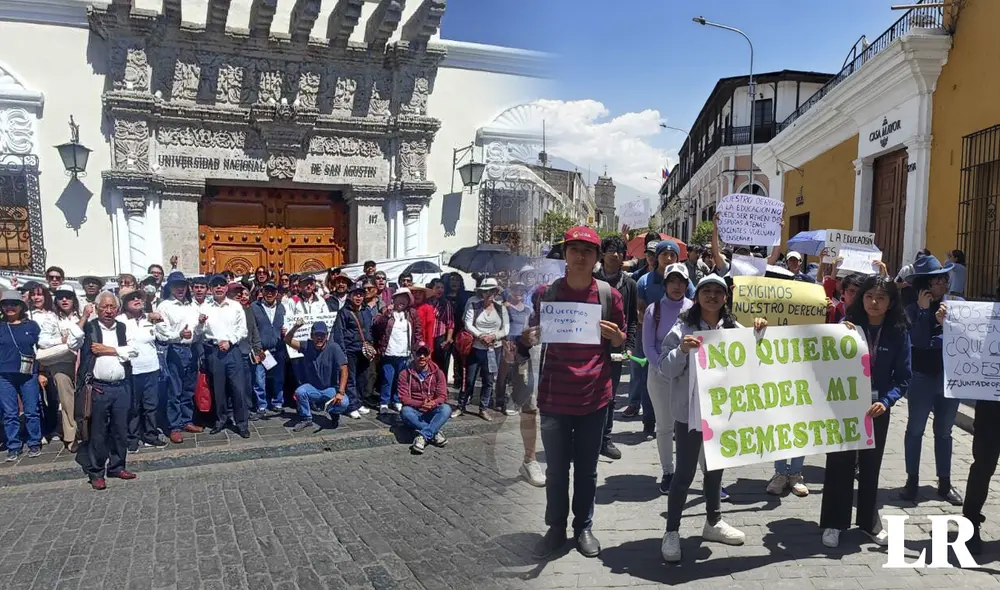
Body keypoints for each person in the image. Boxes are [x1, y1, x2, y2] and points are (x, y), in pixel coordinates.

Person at [522, 226, 626, 559]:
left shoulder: (610, 296)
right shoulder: (546, 293)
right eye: (574, 249)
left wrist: (617, 338)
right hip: (554, 397)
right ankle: (556, 527)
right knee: (555, 470)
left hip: (594, 397)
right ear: (565, 254)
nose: (580, 256)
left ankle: (583, 526)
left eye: (588, 251)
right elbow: (528, 339)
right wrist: (527, 338)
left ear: (596, 258)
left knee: (586, 470)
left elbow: (623, 340)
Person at [658, 275, 766, 562]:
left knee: (716, 468)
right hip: (689, 414)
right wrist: (682, 350)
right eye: (706, 290)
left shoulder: (733, 328)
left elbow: (760, 355)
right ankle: (671, 531)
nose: (712, 295)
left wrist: (759, 332)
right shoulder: (682, 327)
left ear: (725, 298)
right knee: (684, 474)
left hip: (721, 412)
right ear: (698, 296)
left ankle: (713, 522)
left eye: (719, 291)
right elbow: (663, 369)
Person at [820, 275, 911, 548]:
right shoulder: (846, 327)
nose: (874, 302)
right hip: (844, 406)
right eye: (869, 296)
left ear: (891, 302)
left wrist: (887, 400)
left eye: (881, 298)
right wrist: (838, 334)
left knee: (871, 467)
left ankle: (869, 522)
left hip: (876, 409)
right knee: (839, 464)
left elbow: (903, 377)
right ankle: (833, 523)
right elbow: (824, 360)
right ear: (861, 298)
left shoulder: (898, 332)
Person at [901, 255, 962, 505]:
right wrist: (928, 315)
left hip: (949, 379)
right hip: (921, 378)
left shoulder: (956, 305)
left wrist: (944, 326)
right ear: (926, 284)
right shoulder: (912, 309)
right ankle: (911, 481)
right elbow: (919, 341)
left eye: (946, 277)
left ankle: (945, 483)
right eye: (940, 279)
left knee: (945, 432)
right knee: (915, 430)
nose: (945, 282)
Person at [75, 291, 138, 489]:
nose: (108, 311)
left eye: (112, 307)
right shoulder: (90, 327)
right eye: (104, 307)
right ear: (97, 308)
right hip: (98, 388)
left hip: (121, 387)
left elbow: (134, 351)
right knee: (98, 432)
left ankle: (117, 466)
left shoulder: (123, 327)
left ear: (118, 309)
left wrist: (109, 350)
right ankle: (96, 472)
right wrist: (84, 317)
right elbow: (71, 340)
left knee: (120, 430)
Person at [643, 264, 692, 494]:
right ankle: (668, 471)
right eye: (672, 281)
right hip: (660, 375)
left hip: (688, 377)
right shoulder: (654, 310)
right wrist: (663, 368)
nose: (677, 285)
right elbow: (648, 346)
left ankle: (706, 476)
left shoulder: (694, 308)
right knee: (664, 426)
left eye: (681, 281)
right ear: (665, 284)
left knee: (695, 428)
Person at [593, 235, 637, 461]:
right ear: (603, 253)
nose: (615, 254)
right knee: (590, 393)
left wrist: (628, 345)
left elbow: (630, 319)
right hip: (590, 346)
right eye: (611, 250)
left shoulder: (630, 284)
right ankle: (586, 438)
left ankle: (605, 439)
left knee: (610, 395)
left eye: (620, 251)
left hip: (616, 346)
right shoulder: (590, 279)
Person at [155, 272, 204, 443]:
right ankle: (174, 426)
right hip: (175, 349)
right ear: (170, 287)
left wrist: (201, 324)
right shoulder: (164, 306)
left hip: (192, 349)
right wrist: (179, 334)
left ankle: (186, 420)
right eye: (176, 285)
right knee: (174, 390)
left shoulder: (193, 306)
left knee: (188, 389)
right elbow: (162, 332)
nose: (180, 288)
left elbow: (198, 331)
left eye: (182, 285)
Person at [201, 275, 251, 438]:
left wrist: (230, 341)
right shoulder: (205, 307)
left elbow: (243, 330)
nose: (219, 288)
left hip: (232, 350)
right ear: (211, 289)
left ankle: (242, 423)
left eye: (222, 285)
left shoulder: (236, 306)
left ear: (226, 287)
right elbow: (198, 331)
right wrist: (200, 323)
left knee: (238, 389)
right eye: (215, 285)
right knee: (218, 389)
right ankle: (221, 420)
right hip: (214, 351)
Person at [119, 290, 167, 450]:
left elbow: (165, 336)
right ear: (124, 303)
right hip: (131, 370)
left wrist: (162, 322)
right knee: (132, 406)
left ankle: (151, 435)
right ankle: (132, 438)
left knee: (151, 405)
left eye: (138, 297)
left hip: (151, 368)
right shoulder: (119, 321)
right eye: (131, 298)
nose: (136, 300)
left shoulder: (150, 318)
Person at [457, 278, 509, 420]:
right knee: (469, 379)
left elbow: (506, 328)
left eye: (492, 290)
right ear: (481, 292)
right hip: (476, 347)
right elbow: (468, 323)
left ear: (496, 292)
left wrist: (493, 336)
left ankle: (483, 408)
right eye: (486, 291)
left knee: (488, 379)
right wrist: (480, 336)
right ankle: (461, 405)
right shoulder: (474, 305)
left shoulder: (501, 308)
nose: (489, 294)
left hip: (494, 348)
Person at [284, 319, 350, 432]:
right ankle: (306, 418)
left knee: (344, 403)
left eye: (322, 335)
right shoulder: (307, 346)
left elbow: (344, 369)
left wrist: (341, 392)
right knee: (300, 392)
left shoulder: (334, 347)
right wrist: (295, 327)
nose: (319, 338)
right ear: (311, 336)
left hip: (331, 389)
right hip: (313, 388)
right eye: (316, 335)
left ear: (327, 336)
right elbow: (287, 340)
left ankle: (333, 412)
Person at [0, 290, 43, 461]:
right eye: (5, 304)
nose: (9, 307)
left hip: (28, 373)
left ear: (21, 307)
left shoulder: (32, 326)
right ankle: (14, 445)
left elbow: (41, 349)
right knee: (10, 412)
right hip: (4, 374)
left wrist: (42, 372)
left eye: (14, 304)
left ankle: (34, 442)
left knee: (32, 410)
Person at [373, 288, 424, 415]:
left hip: (405, 353)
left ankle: (397, 400)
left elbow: (418, 330)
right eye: (399, 298)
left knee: (401, 379)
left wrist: (418, 345)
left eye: (405, 298)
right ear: (394, 299)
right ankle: (384, 402)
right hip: (389, 352)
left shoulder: (412, 313)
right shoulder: (386, 312)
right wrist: (386, 315)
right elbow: (377, 325)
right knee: (387, 378)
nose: (402, 301)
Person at [331, 280, 374, 419]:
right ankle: (352, 406)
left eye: (361, 294)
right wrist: (342, 352)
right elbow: (339, 333)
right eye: (356, 294)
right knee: (350, 379)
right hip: (350, 350)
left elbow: (369, 330)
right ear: (350, 296)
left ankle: (359, 402)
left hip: (364, 350)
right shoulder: (344, 312)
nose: (358, 297)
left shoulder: (366, 311)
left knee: (363, 378)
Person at [398, 344, 451, 453]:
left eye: (425, 354)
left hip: (431, 410)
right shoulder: (404, 374)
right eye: (418, 354)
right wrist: (421, 403)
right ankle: (434, 432)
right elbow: (403, 398)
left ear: (429, 356)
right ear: (413, 355)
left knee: (446, 409)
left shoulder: (438, 373)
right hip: (414, 412)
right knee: (405, 411)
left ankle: (423, 436)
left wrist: (433, 403)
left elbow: (443, 396)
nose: (422, 356)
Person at [251, 282, 286, 416]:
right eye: (267, 291)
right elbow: (253, 330)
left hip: (278, 349)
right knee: (259, 379)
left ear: (276, 293)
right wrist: (257, 348)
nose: (269, 294)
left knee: (278, 378)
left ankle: (278, 402)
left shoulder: (282, 307)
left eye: (272, 291)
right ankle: (261, 406)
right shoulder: (255, 307)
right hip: (262, 350)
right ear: (262, 292)